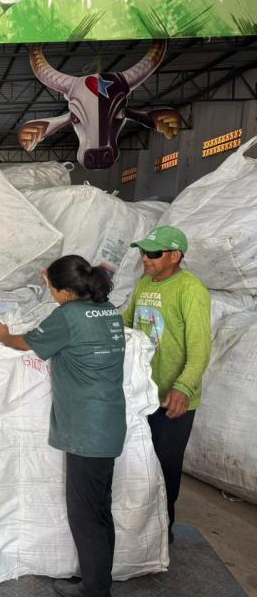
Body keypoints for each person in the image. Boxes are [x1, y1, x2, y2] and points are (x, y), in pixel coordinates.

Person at [0, 255, 126, 597]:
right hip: (108, 424)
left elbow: (26, 343)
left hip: (85, 432)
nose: (50, 293)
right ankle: (96, 581)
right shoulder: (109, 311)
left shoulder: (67, 316)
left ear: (64, 292)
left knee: (85, 516)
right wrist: (50, 277)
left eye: (51, 288)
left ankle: (95, 591)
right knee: (100, 510)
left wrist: (4, 335)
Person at [124, 226, 211, 544]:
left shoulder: (191, 289)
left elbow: (200, 347)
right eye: (143, 252)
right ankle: (137, 528)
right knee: (137, 461)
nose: (146, 259)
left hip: (173, 399)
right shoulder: (144, 283)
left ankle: (163, 531)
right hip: (141, 392)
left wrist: (184, 387)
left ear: (175, 256)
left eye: (154, 253)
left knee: (165, 464)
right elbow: (127, 323)